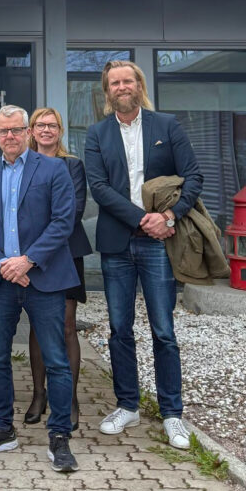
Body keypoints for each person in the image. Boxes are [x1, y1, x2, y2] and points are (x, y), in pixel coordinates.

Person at [83, 60, 202, 451]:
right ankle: (127, 405)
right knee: (120, 328)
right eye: (115, 83)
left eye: (127, 81)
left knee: (163, 330)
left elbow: (193, 177)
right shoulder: (98, 133)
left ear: (139, 85)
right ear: (108, 91)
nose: (122, 87)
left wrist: (168, 216)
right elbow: (99, 187)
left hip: (159, 243)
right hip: (118, 243)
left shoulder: (167, 126)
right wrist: (142, 218)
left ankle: (172, 413)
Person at [0, 105, 80, 473]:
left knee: (56, 359)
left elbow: (63, 221)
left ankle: (59, 435)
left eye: (16, 130)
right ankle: (2, 429)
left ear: (28, 133)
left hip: (43, 278)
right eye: (4, 131)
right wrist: (2, 263)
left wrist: (27, 261)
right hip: (0, 280)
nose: (10, 136)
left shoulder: (54, 169)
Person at [24, 107, 93, 430]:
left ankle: (69, 399)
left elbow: (73, 210)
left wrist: (40, 239)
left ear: (60, 130)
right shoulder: (22, 164)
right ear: (31, 130)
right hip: (30, 258)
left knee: (66, 325)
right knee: (38, 325)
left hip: (66, 253)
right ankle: (39, 394)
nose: (46, 130)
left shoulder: (72, 165)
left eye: (52, 125)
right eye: (40, 125)